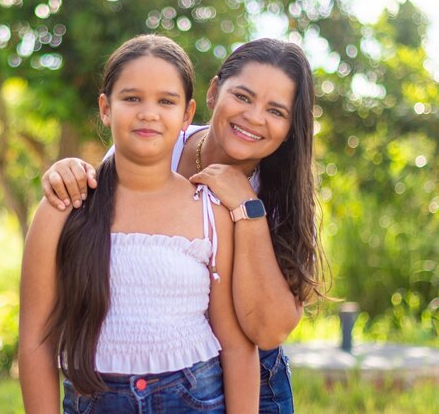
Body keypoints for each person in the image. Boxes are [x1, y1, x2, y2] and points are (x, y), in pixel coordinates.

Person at [40, 37, 327, 414]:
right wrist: (69, 171)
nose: (254, 117)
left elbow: (269, 332)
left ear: (291, 126)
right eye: (242, 97)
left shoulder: (282, 194)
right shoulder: (159, 139)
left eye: (275, 110)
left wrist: (247, 209)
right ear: (212, 93)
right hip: (152, 371)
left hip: (252, 378)